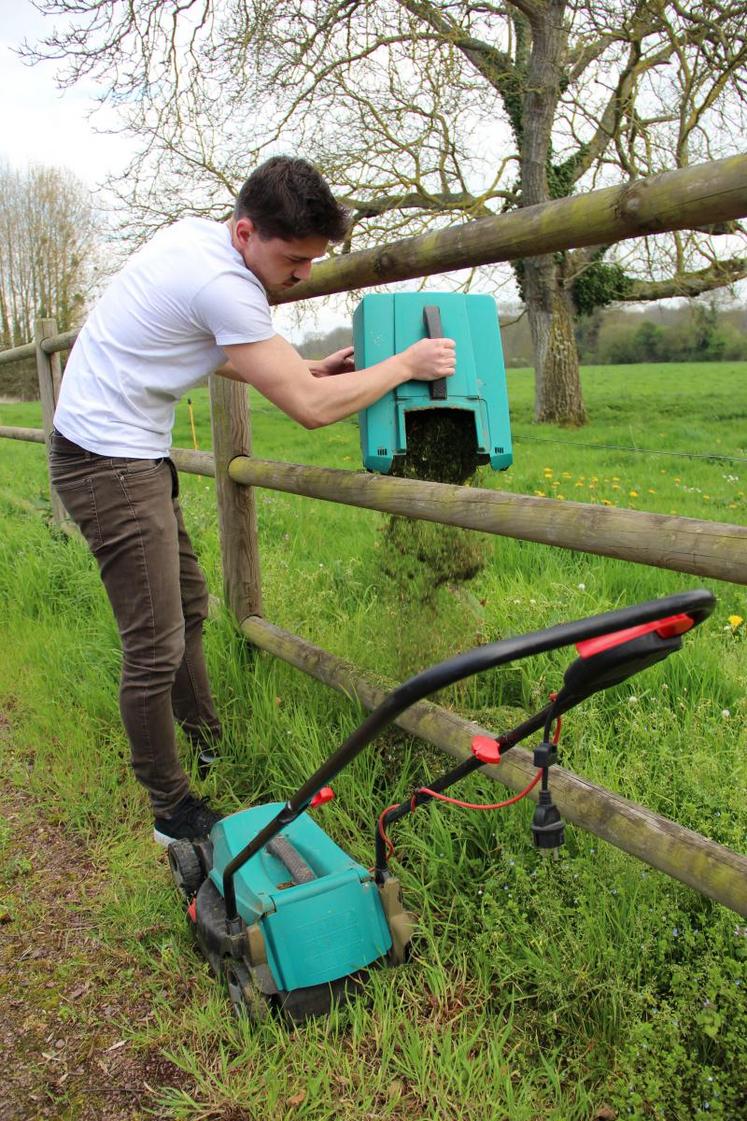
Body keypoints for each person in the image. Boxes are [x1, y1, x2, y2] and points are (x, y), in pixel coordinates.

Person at [49, 156, 456, 847]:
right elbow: (307, 409)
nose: (303, 274)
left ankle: (206, 740)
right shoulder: (223, 280)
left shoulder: (198, 244)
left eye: (313, 259)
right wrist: (404, 366)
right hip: (107, 464)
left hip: (127, 453)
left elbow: (216, 345)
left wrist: (303, 365)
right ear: (245, 232)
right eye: (294, 259)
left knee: (187, 599)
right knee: (154, 643)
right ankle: (171, 811)